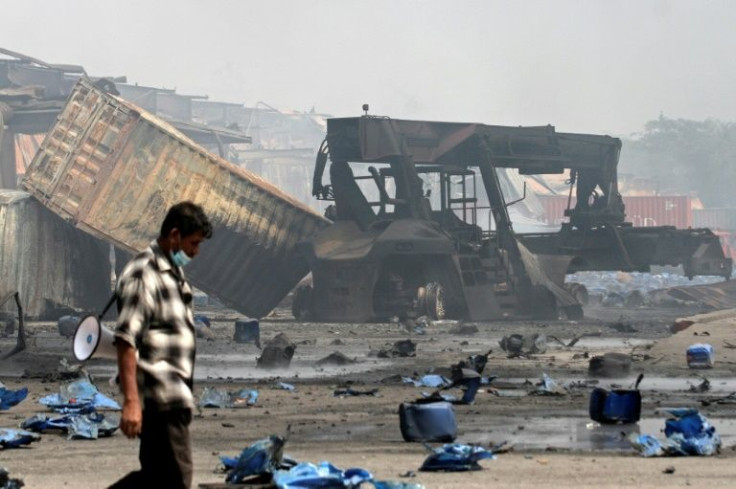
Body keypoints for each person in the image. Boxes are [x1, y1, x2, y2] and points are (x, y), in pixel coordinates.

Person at [109, 201, 213, 489]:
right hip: (159, 398)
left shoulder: (171, 272)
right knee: (175, 480)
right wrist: (131, 403)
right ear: (175, 235)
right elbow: (126, 340)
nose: (195, 252)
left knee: (156, 479)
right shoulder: (145, 273)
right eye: (193, 243)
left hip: (174, 396)